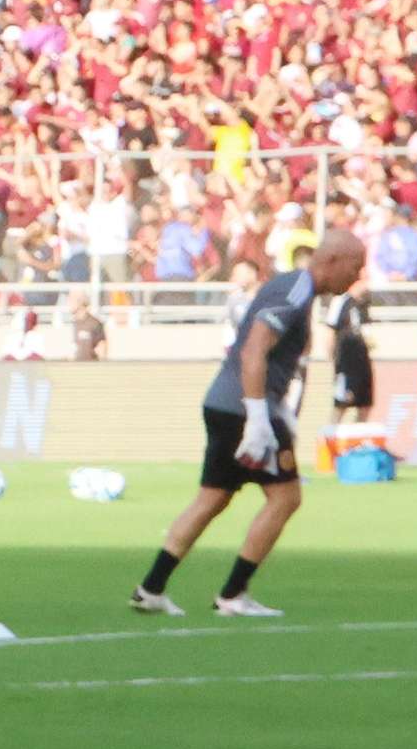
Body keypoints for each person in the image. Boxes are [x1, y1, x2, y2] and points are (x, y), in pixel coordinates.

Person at [134, 229, 368, 619]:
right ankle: (233, 593)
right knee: (286, 497)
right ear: (331, 261)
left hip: (224, 402)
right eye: (355, 267)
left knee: (213, 497)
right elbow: (254, 349)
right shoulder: (294, 291)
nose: (356, 277)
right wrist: (259, 417)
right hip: (245, 407)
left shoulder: (295, 290)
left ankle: (151, 588)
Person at [327, 286, 377, 431]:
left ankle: (358, 443)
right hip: (345, 362)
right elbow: (330, 330)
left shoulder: (363, 305)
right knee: (342, 403)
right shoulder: (340, 301)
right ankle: (331, 440)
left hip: (362, 361)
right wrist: (332, 358)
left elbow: (367, 332)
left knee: (365, 404)